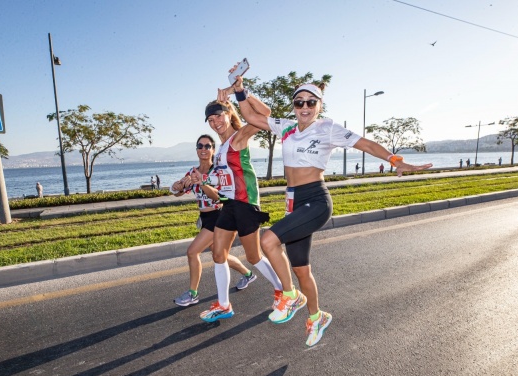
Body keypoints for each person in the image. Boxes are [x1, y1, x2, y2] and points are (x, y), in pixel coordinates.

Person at [232, 74, 432, 346]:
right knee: (301, 270)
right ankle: (317, 317)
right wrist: (241, 91)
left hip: (316, 200)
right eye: (299, 102)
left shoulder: (327, 128)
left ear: (319, 105)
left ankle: (289, 297)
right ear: (294, 105)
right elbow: (251, 117)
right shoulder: (287, 127)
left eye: (311, 103)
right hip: (293, 202)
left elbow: (366, 144)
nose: (305, 107)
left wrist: (394, 159)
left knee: (268, 240)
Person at [189, 90, 284, 323]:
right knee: (218, 253)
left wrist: (241, 92)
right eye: (211, 121)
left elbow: (264, 113)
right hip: (229, 204)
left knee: (254, 257)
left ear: (228, 114)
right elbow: (224, 178)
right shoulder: (220, 148)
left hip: (245, 204)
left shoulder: (239, 137)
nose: (215, 123)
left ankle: (284, 290)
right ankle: (223, 305)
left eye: (218, 117)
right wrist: (204, 181)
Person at [171, 135, 257, 307]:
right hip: (205, 218)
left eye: (208, 146)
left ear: (213, 150)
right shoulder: (192, 171)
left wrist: (201, 182)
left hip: (219, 216)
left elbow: (218, 197)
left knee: (192, 252)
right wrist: (177, 187)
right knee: (219, 255)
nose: (203, 149)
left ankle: (193, 294)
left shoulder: (218, 171)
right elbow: (179, 190)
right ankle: (248, 274)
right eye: (200, 146)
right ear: (196, 149)